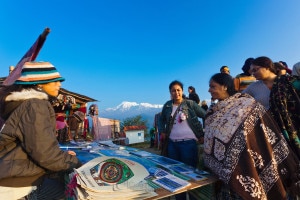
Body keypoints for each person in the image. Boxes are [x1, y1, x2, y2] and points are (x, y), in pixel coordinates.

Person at [204, 73, 300, 199]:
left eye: (212, 86)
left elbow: (263, 131)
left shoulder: (246, 104)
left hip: (251, 162)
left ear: (225, 86)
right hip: (224, 174)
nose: (209, 90)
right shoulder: (212, 112)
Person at [0, 61, 82, 199]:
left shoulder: (23, 104)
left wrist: (61, 155)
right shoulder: (35, 106)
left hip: (12, 177)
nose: (59, 84)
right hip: (19, 187)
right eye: (54, 81)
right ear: (39, 83)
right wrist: (78, 164)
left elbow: (34, 146)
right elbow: (45, 155)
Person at [158, 80, 206, 200]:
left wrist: (204, 133)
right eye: (173, 90)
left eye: (178, 90)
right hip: (172, 145)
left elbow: (205, 115)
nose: (176, 93)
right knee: (176, 175)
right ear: (170, 92)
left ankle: (194, 197)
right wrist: (162, 131)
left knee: (191, 174)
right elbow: (161, 119)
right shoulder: (168, 105)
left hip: (189, 144)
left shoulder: (190, 104)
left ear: (182, 91)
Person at [269, 73, 300, 159]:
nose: (253, 73)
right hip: (282, 122)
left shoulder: (287, 80)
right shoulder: (254, 86)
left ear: (267, 67)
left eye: (256, 69)